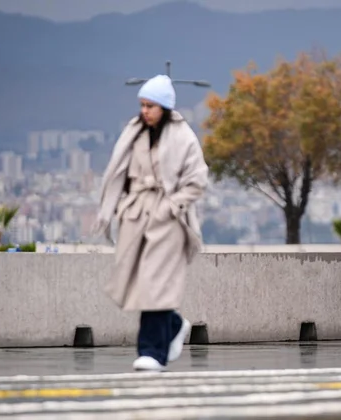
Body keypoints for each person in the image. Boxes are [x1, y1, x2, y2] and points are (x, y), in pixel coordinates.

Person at [94, 75, 209, 371]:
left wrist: (171, 206)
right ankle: (174, 325)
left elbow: (197, 180)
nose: (145, 111)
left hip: (168, 220)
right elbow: (117, 172)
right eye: (142, 105)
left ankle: (152, 352)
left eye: (151, 106)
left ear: (165, 107)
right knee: (141, 283)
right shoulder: (134, 132)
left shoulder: (183, 136)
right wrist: (120, 206)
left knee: (154, 285)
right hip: (136, 216)